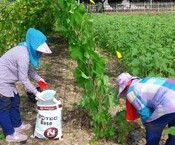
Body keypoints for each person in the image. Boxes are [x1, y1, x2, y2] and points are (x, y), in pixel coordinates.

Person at [0, 28, 52, 142]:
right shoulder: (23, 54)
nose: (40, 54)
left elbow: (28, 70)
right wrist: (36, 92)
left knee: (14, 101)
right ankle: (10, 134)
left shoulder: (25, 49)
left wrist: (39, 79)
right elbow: (23, 78)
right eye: (39, 51)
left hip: (8, 81)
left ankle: (17, 125)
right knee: (3, 107)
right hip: (2, 82)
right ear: (34, 46)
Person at [115, 72, 175, 145]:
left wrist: (147, 125)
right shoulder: (143, 82)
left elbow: (144, 112)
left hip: (169, 103)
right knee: (173, 130)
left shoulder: (131, 92)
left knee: (152, 127)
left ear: (125, 87)